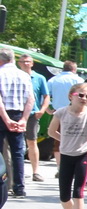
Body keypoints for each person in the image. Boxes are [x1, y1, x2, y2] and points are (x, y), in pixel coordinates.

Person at [0, 47, 33, 198]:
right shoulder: (24, 75)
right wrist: (24, 119)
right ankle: (19, 187)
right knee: (18, 153)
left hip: (2, 114)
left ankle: (2, 184)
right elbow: (30, 99)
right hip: (18, 113)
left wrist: (6, 119)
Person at [17, 52, 49, 182]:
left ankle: (35, 172)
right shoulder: (16, 76)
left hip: (32, 114)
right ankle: (14, 170)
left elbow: (46, 96)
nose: (25, 64)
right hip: (16, 112)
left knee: (32, 141)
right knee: (12, 143)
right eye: (23, 61)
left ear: (32, 63)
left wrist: (42, 110)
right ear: (19, 64)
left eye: (28, 61)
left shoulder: (39, 78)